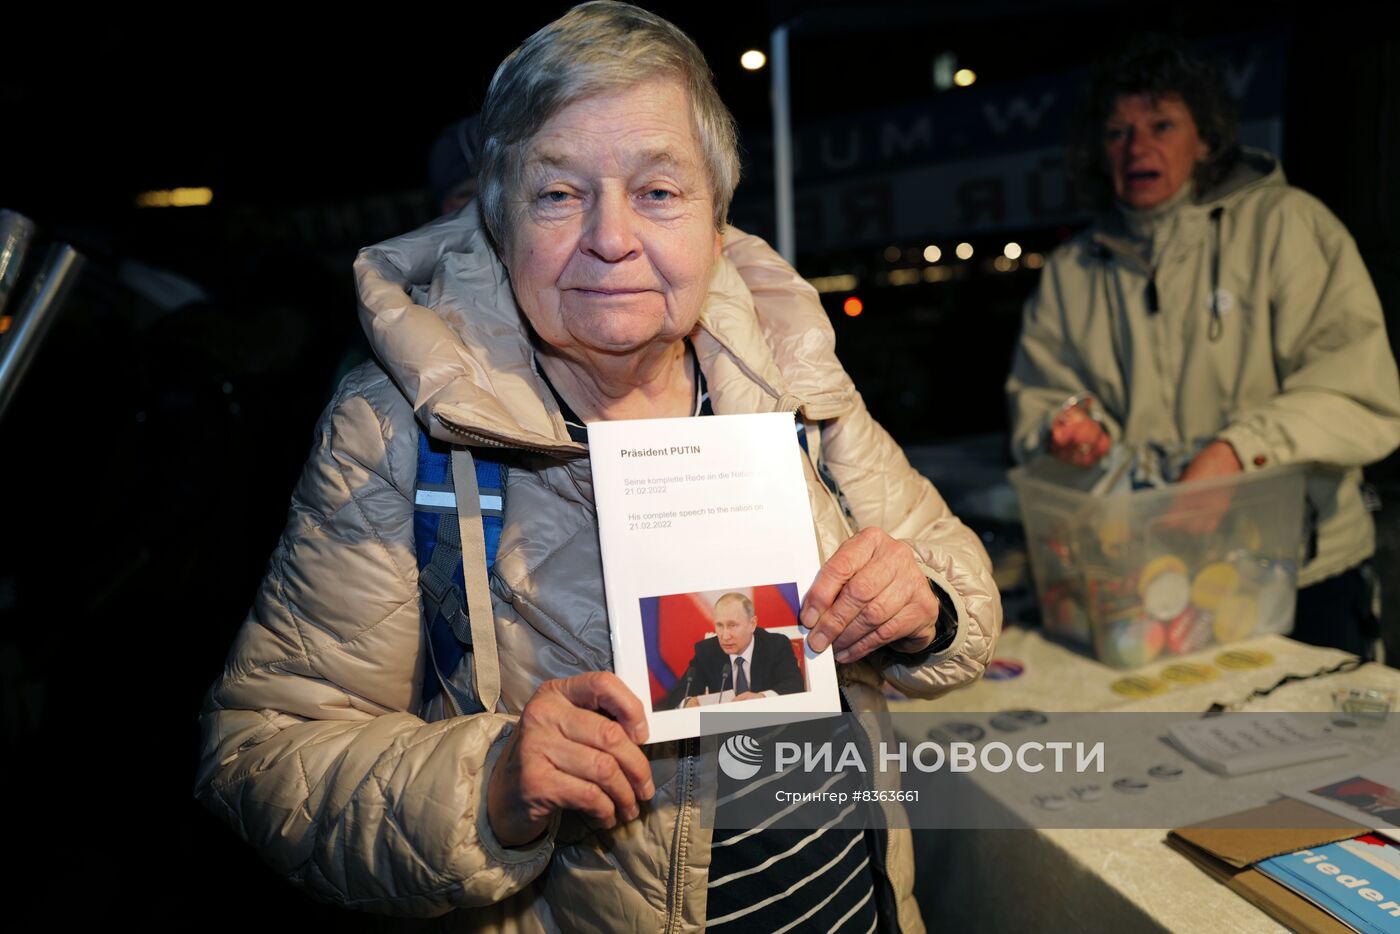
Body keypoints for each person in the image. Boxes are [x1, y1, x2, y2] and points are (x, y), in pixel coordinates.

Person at [196, 3, 1000, 930]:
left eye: (658, 192)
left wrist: (922, 610)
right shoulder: (397, 428)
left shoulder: (786, 366)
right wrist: (488, 785)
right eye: (559, 194)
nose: (611, 237)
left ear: (714, 217)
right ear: (500, 219)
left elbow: (958, 584)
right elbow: (259, 753)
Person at [1006, 36, 1400, 657]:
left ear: (1207, 139)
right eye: (1116, 133)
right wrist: (1073, 430)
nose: (1137, 148)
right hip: (1150, 580)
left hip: (1301, 575)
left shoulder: (1288, 225)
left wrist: (1239, 453)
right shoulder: (1071, 271)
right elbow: (1044, 398)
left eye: (1162, 125)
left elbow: (1358, 387)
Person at [660, 592, 806, 708]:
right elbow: (678, 694)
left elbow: (794, 685)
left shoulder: (776, 645)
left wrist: (761, 698)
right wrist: (687, 702)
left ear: (752, 624)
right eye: (719, 625)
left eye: (732, 625)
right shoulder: (706, 651)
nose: (724, 636)